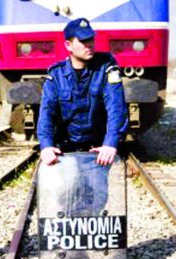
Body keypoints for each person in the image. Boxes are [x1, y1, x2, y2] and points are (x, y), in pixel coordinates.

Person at [37, 18, 128, 167]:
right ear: (69, 45)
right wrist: (46, 146)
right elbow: (46, 112)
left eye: (91, 39)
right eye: (83, 41)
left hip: (97, 149)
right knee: (66, 189)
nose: (90, 45)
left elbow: (116, 107)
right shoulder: (56, 76)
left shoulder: (106, 68)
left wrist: (110, 143)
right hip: (65, 150)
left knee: (97, 189)